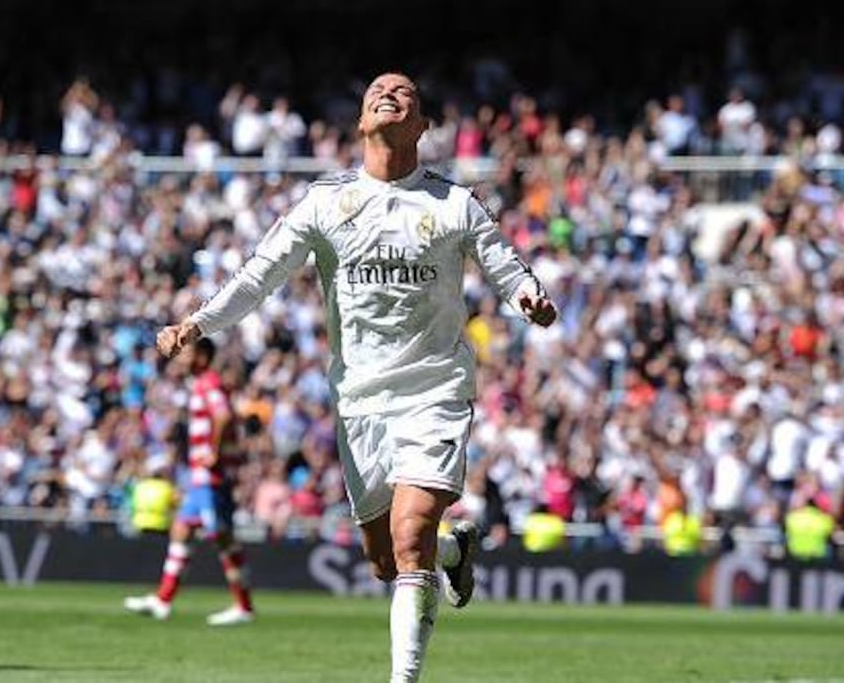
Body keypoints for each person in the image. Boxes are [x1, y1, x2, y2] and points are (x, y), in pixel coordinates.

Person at [154, 72, 558, 682]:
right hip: (360, 397)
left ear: (421, 127)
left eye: (405, 93)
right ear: (361, 121)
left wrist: (529, 295)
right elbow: (260, 274)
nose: (389, 93)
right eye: (378, 91)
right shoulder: (325, 202)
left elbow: (505, 265)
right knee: (385, 559)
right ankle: (456, 551)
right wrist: (199, 323)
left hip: (434, 387)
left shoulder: (452, 203)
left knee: (411, 529)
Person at [124, 338, 255, 626]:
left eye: (187, 352)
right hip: (200, 478)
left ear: (203, 355)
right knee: (182, 530)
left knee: (222, 538)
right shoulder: (200, 384)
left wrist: (214, 452)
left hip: (211, 476)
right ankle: (163, 600)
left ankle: (244, 606)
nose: (181, 358)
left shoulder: (208, 383)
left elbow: (223, 415)